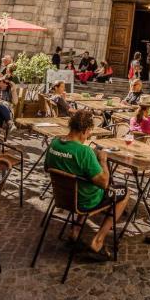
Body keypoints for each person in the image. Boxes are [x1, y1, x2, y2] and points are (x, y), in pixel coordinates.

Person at [45, 110, 128, 260]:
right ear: (85, 131)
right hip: (86, 201)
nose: (89, 136)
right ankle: (98, 241)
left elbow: (47, 168)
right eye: (89, 133)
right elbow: (104, 183)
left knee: (85, 181)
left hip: (64, 198)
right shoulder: (84, 152)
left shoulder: (54, 143)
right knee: (125, 193)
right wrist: (102, 160)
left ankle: (75, 231)